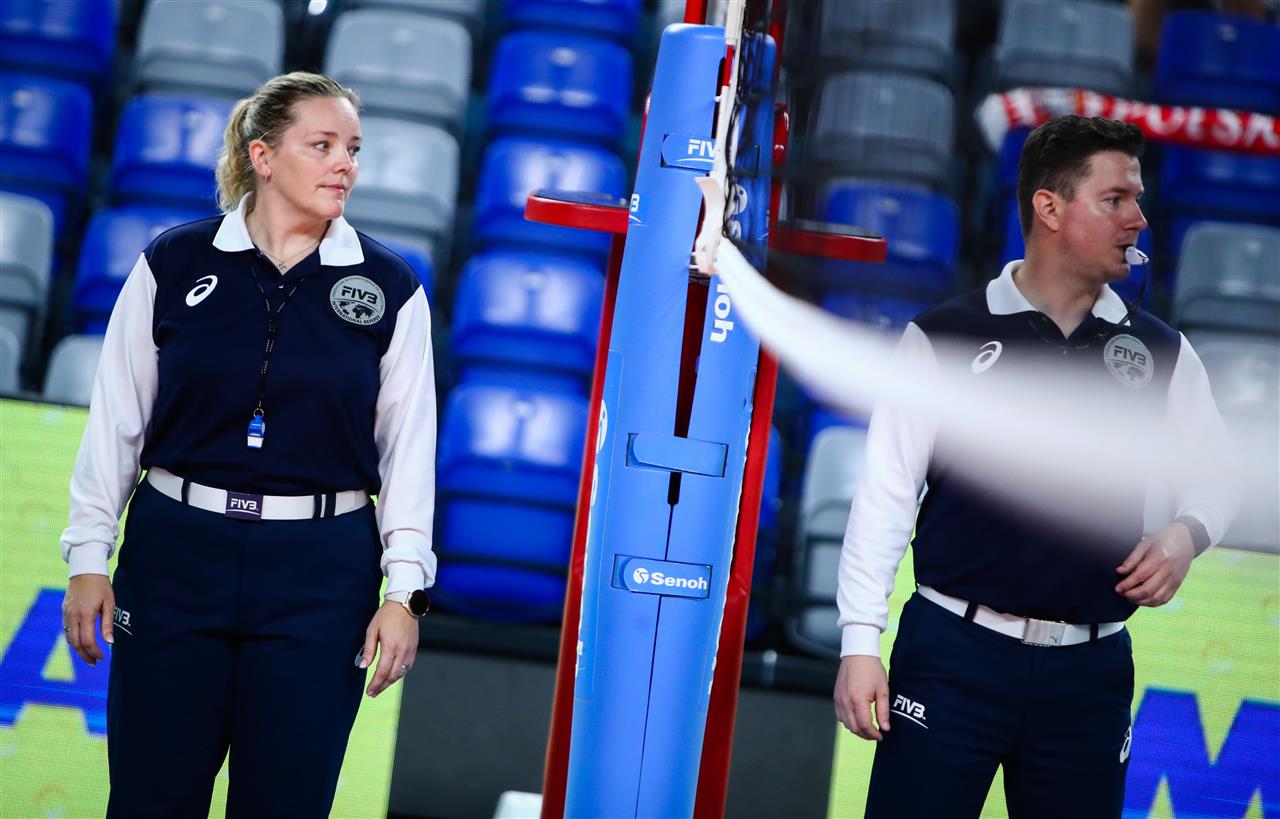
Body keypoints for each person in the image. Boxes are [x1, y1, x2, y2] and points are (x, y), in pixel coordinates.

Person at [832, 115, 1236, 818]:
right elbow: (886, 494)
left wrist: (1187, 533)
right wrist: (859, 643)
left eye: (1138, 200)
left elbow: (1223, 475)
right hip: (950, 657)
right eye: (1115, 199)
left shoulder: (1165, 351)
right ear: (1048, 207)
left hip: (1090, 674)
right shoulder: (944, 336)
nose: (1138, 219)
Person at [58, 72, 437, 817]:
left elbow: (409, 453)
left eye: (353, 149)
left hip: (320, 574)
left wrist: (404, 593)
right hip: (175, 558)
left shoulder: (392, 287)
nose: (345, 164)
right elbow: (116, 424)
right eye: (322, 145)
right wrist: (87, 558)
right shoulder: (173, 262)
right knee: (149, 799)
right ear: (262, 156)